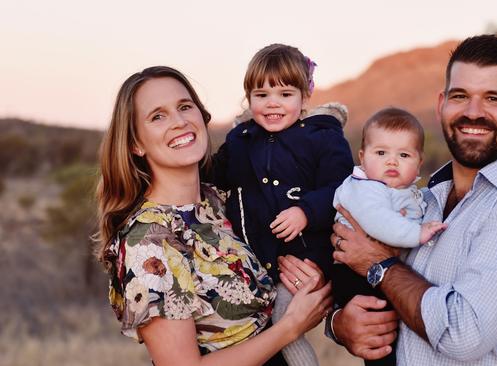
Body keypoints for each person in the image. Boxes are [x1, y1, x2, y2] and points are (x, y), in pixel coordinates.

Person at [327, 34, 497, 365]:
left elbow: (461, 334)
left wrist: (379, 265)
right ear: (441, 104)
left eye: (494, 98)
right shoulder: (423, 199)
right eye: (461, 96)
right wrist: (340, 324)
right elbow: (374, 289)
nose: (473, 113)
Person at [95, 66, 332, 366]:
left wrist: (308, 277)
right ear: (135, 143)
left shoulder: (224, 200)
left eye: (184, 107)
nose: (179, 122)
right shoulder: (148, 240)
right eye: (158, 116)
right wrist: (289, 327)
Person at [210, 44, 354, 366]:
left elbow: (344, 190)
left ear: (304, 99)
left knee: (283, 322)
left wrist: (306, 210)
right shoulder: (241, 140)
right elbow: (215, 175)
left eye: (285, 94)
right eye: (261, 95)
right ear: (249, 100)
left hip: (303, 261)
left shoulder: (323, 139)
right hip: (254, 264)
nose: (272, 103)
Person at [330, 107, 447, 365]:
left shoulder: (409, 192)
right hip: (354, 275)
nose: (391, 161)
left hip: (376, 272)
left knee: (390, 331)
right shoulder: (365, 189)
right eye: (381, 153)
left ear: (419, 161)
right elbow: (379, 222)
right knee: (379, 333)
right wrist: (417, 233)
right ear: (362, 157)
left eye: (403, 155)